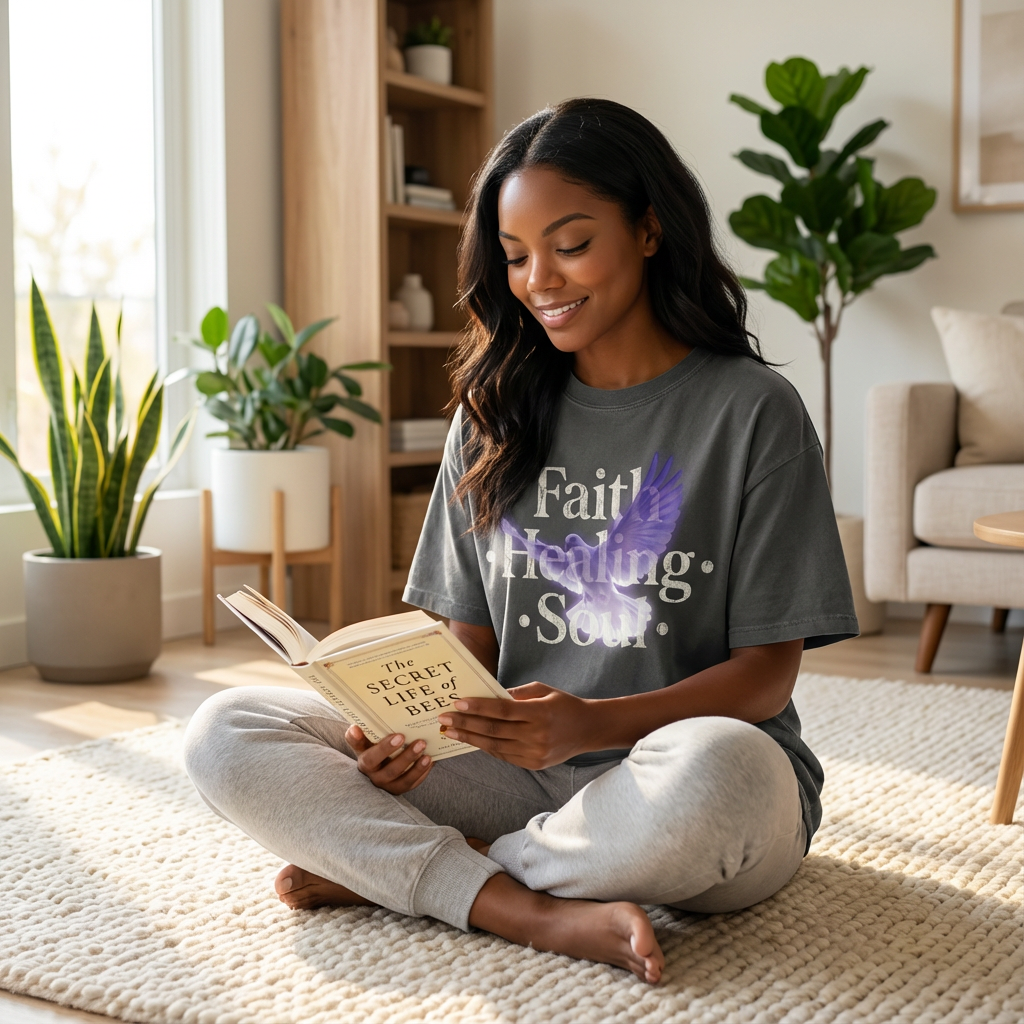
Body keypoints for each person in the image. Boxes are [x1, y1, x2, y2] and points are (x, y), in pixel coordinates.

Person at [183, 98, 857, 985]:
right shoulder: (493, 414)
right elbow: (465, 645)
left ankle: (425, 871)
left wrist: (590, 722)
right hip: (514, 772)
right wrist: (404, 732)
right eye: (514, 256)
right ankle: (521, 904)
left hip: (680, 772)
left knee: (719, 775)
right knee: (226, 729)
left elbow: (766, 675)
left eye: (570, 244)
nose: (539, 278)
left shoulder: (752, 412)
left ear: (649, 229)